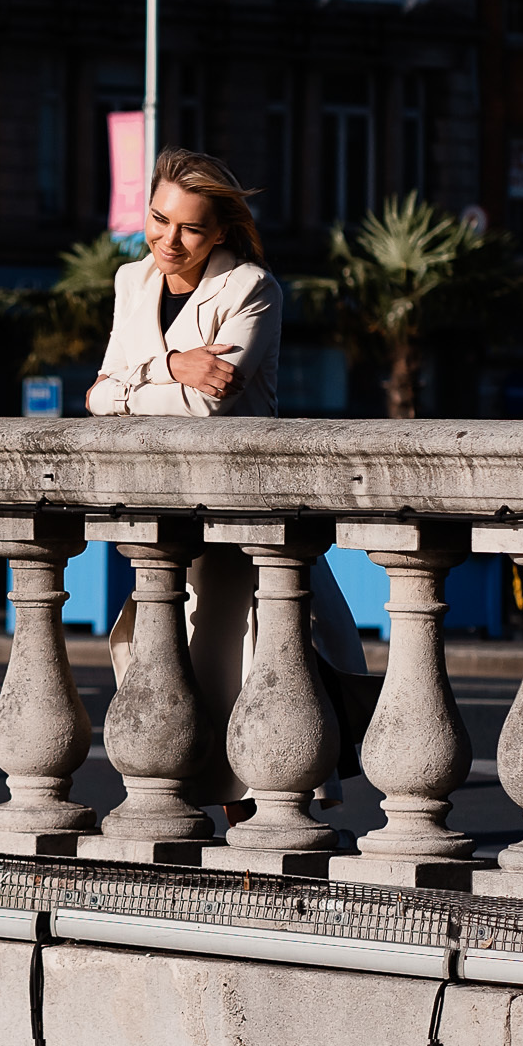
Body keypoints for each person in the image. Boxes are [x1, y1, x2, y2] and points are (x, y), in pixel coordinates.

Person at [86, 146, 371, 821]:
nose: (169, 240)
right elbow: (95, 396)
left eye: (189, 227)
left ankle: (265, 889)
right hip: (168, 529)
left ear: (219, 231)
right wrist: (171, 363)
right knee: (180, 740)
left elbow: (208, 403)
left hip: (244, 535)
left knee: (254, 747)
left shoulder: (251, 287)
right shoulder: (131, 282)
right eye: (159, 219)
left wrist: (137, 381)